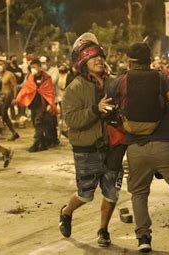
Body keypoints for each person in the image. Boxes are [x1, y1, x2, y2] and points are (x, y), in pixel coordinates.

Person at [115, 43, 169, 253]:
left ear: (130, 61)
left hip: (135, 146)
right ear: (150, 59)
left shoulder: (121, 80)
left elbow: (109, 106)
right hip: (163, 142)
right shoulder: (161, 77)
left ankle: (143, 237)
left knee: (139, 192)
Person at [59, 33, 118, 248]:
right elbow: (71, 120)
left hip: (113, 147)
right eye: (94, 58)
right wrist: (96, 109)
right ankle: (66, 212)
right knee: (85, 195)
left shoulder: (113, 83)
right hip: (86, 149)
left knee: (112, 193)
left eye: (101, 57)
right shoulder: (75, 88)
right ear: (83, 63)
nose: (99, 61)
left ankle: (103, 230)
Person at [16, 59, 56, 152]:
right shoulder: (30, 77)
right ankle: (43, 144)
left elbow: (50, 91)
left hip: (42, 104)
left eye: (34, 67)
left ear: (39, 67)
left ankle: (36, 144)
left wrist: (50, 103)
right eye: (31, 67)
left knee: (38, 122)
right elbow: (27, 88)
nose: (33, 69)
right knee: (35, 123)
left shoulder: (46, 77)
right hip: (33, 104)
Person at [0, 61, 20, 141]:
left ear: (5, 65)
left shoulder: (9, 74)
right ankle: (12, 132)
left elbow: (15, 86)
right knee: (1, 113)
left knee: (3, 111)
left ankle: (8, 131)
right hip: (1, 96)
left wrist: (14, 97)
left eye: (1, 64)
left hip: (9, 95)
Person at [40, 56, 61, 147]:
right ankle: (48, 139)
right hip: (43, 99)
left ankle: (54, 139)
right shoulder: (41, 72)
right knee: (45, 120)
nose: (43, 65)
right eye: (41, 63)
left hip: (53, 99)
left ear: (49, 62)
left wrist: (43, 75)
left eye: (44, 63)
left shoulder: (54, 71)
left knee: (51, 120)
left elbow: (52, 82)